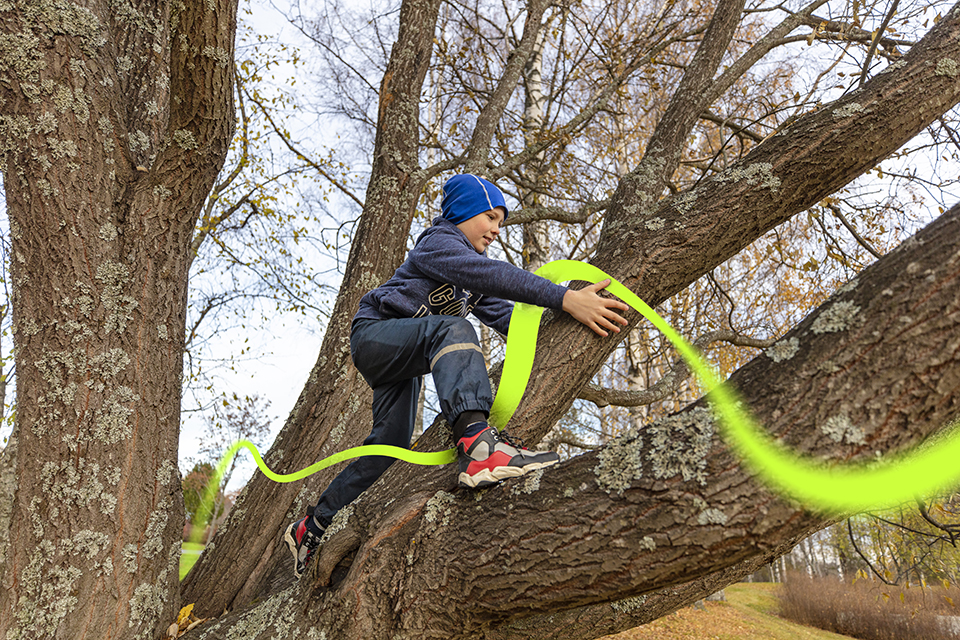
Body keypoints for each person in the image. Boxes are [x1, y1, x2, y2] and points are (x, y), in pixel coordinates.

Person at [284, 173, 629, 578]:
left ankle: (313, 524)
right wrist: (564, 296)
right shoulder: (439, 243)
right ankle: (478, 448)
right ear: (463, 213)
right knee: (454, 327)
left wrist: (566, 319)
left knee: (390, 445)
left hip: (407, 353)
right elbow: (492, 275)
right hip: (376, 335)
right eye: (491, 217)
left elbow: (513, 323)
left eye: (502, 222)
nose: (497, 230)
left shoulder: (471, 280)